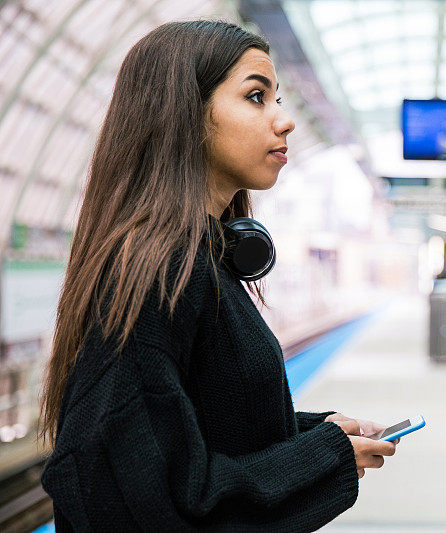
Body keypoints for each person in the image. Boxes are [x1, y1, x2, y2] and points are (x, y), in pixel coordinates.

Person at [38, 21, 397, 531]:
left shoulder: (204, 260)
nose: (285, 121)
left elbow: (204, 432)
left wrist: (323, 437)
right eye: (256, 97)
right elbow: (151, 496)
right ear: (186, 115)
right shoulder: (159, 271)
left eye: (277, 99)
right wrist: (322, 457)